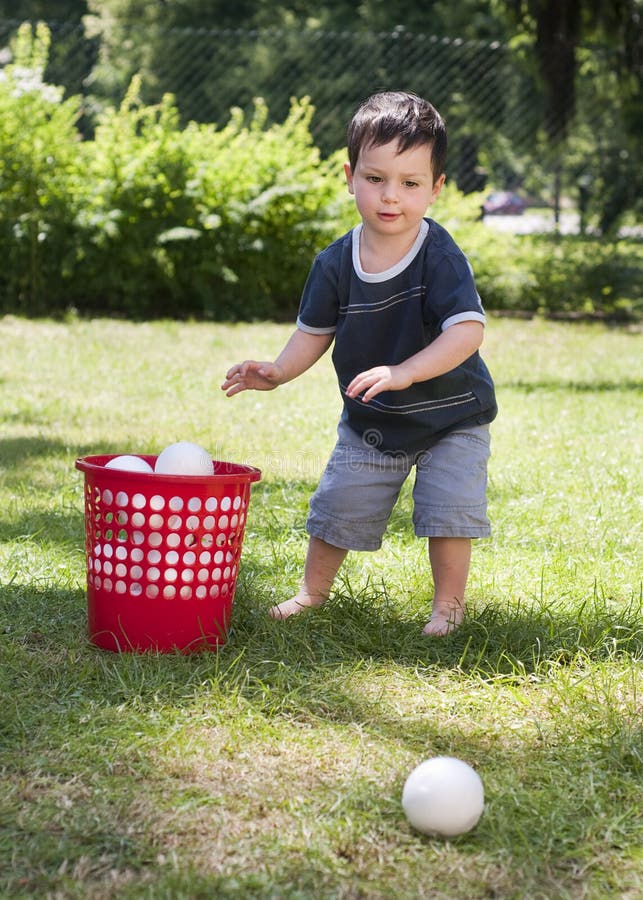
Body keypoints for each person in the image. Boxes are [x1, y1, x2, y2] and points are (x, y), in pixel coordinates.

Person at [221, 91, 497, 636]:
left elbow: (467, 331)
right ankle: (311, 593)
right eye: (375, 179)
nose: (390, 196)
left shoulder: (439, 255)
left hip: (452, 417)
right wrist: (277, 371)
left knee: (449, 508)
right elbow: (313, 332)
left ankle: (448, 607)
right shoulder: (333, 263)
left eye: (410, 183)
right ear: (350, 177)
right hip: (372, 420)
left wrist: (406, 371)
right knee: (339, 503)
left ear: (436, 189)